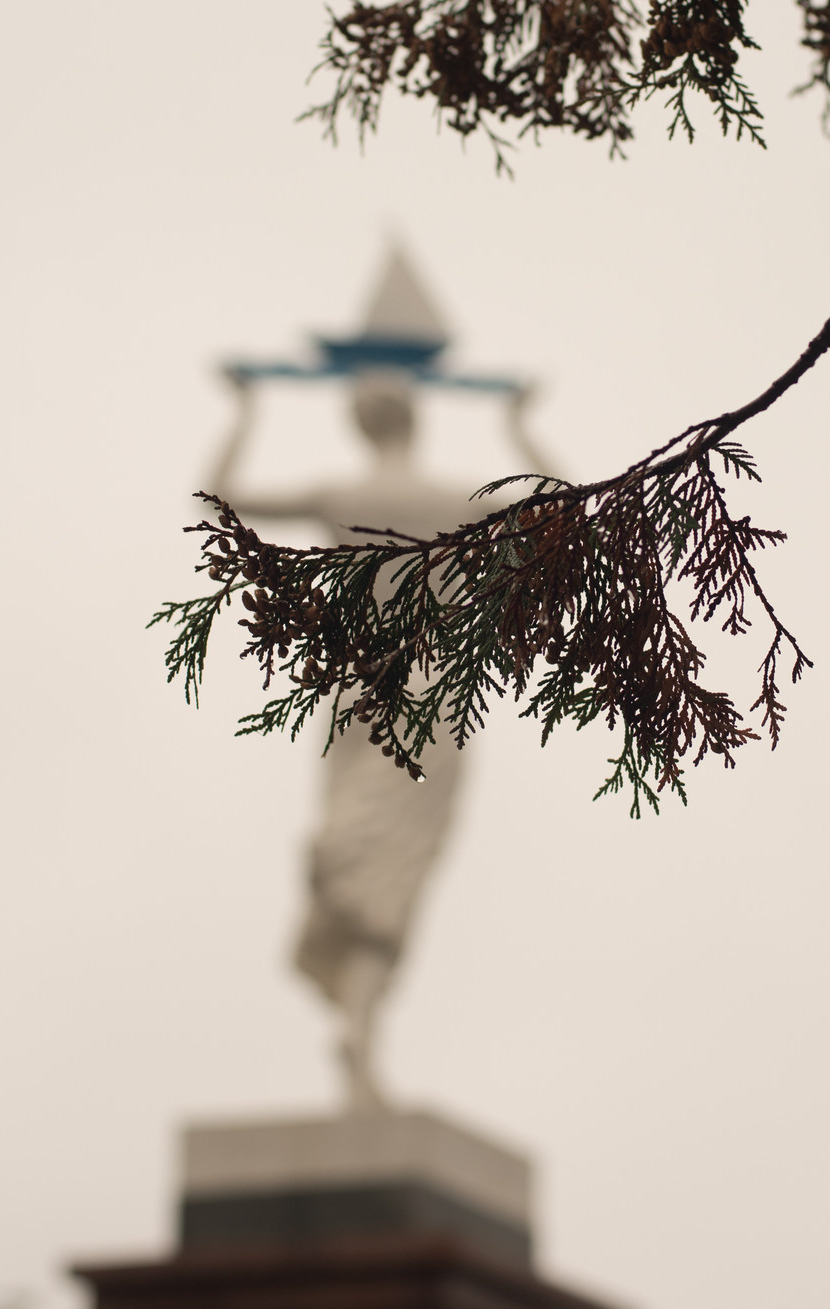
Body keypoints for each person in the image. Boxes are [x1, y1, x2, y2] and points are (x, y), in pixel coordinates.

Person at [206, 359, 553, 1112]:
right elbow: (562, 504)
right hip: (430, 696)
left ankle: (360, 1035)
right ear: (416, 418)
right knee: (389, 865)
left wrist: (244, 408)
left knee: (364, 851)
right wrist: (519, 422)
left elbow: (221, 499)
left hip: (357, 686)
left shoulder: (342, 493)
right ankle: (360, 1028)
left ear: (357, 421)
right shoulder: (453, 499)